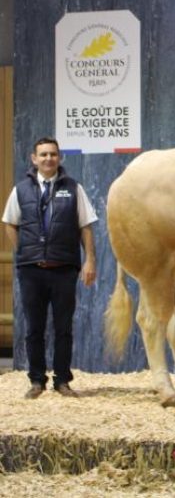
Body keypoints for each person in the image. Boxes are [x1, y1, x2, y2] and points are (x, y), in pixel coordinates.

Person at [2, 137, 98, 399]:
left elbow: (85, 226)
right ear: (34, 159)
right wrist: (23, 249)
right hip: (31, 270)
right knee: (34, 327)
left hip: (64, 269)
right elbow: (9, 222)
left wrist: (90, 260)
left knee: (63, 328)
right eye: (43, 155)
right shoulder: (20, 190)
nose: (48, 159)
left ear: (59, 158)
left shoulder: (73, 189)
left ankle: (62, 381)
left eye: (53, 154)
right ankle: (36, 380)